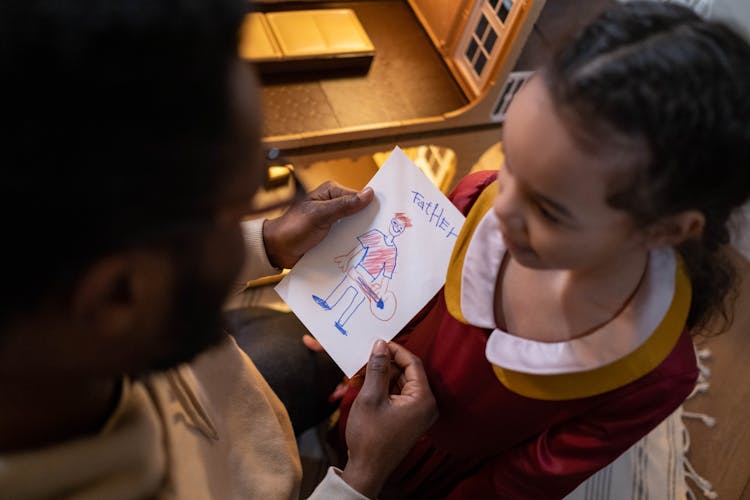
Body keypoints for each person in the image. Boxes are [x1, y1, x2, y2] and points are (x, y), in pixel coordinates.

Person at [0, 1, 436, 499]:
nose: (255, 219)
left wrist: (268, 240)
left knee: (301, 353)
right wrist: (361, 476)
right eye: (238, 206)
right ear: (120, 295)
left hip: (228, 413)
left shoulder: (61, 315)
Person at [333, 2, 750, 498]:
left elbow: (517, 485)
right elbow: (402, 283)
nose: (503, 206)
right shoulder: (476, 198)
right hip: (368, 401)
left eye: (549, 211)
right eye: (509, 161)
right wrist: (349, 324)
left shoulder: (649, 376)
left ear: (664, 229)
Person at [312, 213, 412, 335]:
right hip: (360, 268)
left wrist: (382, 292)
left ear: (401, 231)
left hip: (370, 278)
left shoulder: (392, 252)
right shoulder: (376, 235)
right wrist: (347, 258)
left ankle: (341, 322)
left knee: (357, 299)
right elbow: (361, 246)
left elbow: (387, 274)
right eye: (395, 223)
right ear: (391, 221)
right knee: (345, 286)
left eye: (400, 227)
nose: (396, 227)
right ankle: (328, 303)